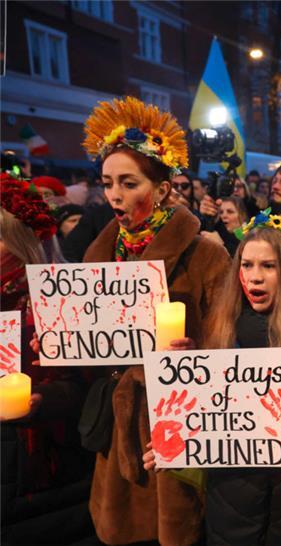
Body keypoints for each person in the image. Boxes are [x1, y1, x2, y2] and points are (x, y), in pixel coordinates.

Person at [77, 97, 231, 545]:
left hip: (177, 422)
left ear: (162, 188)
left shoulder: (206, 253)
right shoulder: (98, 254)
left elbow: (227, 342)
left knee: (177, 530)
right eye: (107, 183)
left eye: (129, 183)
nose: (115, 195)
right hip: (117, 422)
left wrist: (191, 357)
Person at [146, 212, 281, 545]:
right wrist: (175, 438)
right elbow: (209, 412)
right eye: (246, 265)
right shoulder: (221, 324)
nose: (254, 277)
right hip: (231, 493)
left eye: (268, 266)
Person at [0, 175, 96, 544]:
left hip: (38, 469)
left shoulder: (55, 300)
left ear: (19, 243)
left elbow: (82, 385)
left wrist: (44, 399)